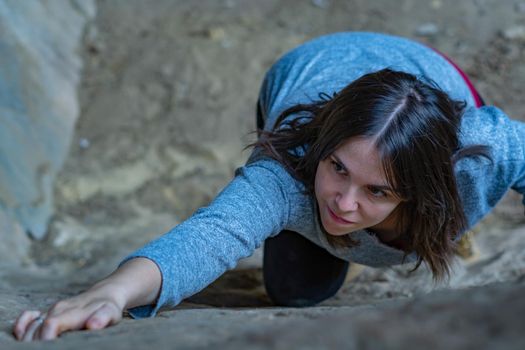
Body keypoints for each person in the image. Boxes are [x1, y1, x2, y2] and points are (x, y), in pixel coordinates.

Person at [13, 32, 525, 341]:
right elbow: (212, 234)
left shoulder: (481, 154)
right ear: (322, 147)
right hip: (308, 66)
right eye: (338, 168)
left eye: (378, 192)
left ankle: (424, 222)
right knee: (296, 292)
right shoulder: (286, 171)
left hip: (430, 76)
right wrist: (110, 292)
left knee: (438, 231)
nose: (344, 203)